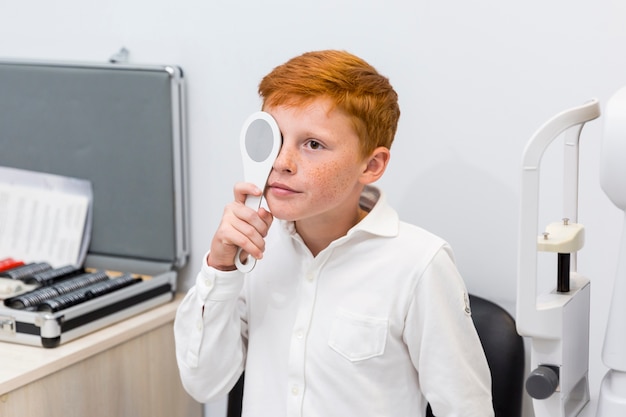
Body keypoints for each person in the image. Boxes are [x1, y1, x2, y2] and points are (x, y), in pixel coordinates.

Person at [174, 49, 494, 417]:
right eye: (274, 138)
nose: (281, 162)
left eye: (313, 144)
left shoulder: (418, 264)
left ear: (371, 165)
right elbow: (204, 383)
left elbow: (466, 408)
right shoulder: (252, 251)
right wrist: (220, 268)